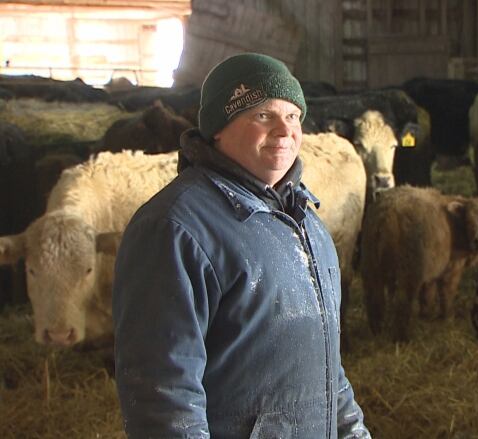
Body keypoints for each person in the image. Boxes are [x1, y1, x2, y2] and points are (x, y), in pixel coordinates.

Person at [112, 53, 372, 439]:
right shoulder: (174, 229)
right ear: (218, 127)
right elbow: (164, 398)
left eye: (294, 116)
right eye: (263, 116)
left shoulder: (307, 223)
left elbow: (327, 370)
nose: (285, 131)